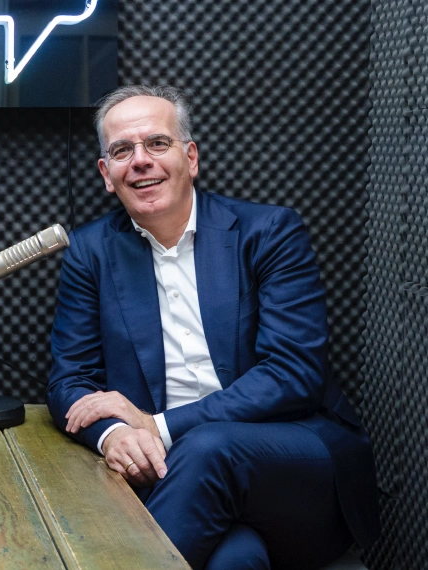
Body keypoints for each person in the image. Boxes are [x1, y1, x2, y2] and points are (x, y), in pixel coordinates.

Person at [46, 85, 380, 569]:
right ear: (106, 174)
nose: (140, 160)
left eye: (157, 144)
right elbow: (70, 381)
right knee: (236, 559)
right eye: (122, 150)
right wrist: (116, 434)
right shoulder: (90, 252)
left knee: (209, 447)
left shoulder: (269, 233)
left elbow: (293, 375)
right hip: (174, 479)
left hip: (293, 460)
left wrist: (156, 426)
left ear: (191, 157)